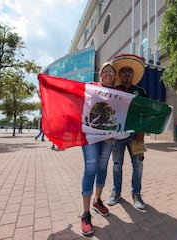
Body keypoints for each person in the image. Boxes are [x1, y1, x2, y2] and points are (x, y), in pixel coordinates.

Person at [79, 62, 117, 236]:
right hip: (90, 137)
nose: (108, 73)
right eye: (105, 71)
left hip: (108, 137)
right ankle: (85, 213)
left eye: (111, 71)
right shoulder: (91, 87)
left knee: (102, 167)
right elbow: (74, 94)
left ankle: (97, 201)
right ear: (100, 75)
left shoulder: (119, 94)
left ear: (114, 76)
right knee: (91, 167)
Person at [107, 54, 147, 210]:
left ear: (132, 74)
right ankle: (116, 192)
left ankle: (136, 194)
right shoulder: (113, 90)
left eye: (129, 71)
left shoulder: (141, 91)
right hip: (117, 136)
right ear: (119, 74)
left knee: (139, 165)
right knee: (117, 165)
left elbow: (146, 112)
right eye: (123, 71)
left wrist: (143, 131)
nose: (126, 74)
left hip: (137, 136)